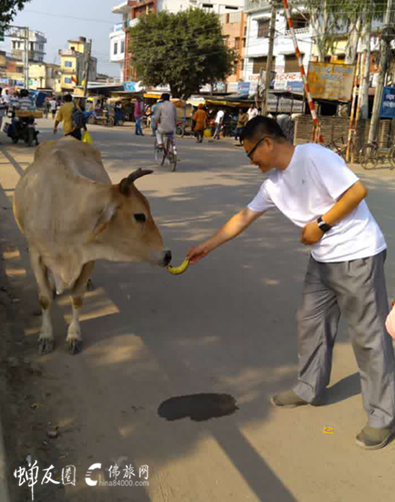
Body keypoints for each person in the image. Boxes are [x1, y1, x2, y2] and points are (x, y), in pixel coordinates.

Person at [186, 115, 395, 451]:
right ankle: (309, 387)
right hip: (322, 262)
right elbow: (244, 217)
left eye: (251, 153)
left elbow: (358, 190)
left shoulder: (315, 157)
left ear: (267, 143)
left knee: (369, 338)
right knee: (310, 324)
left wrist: (321, 225)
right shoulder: (273, 185)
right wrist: (206, 247)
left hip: (358, 255)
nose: (251, 161)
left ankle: (383, 415)